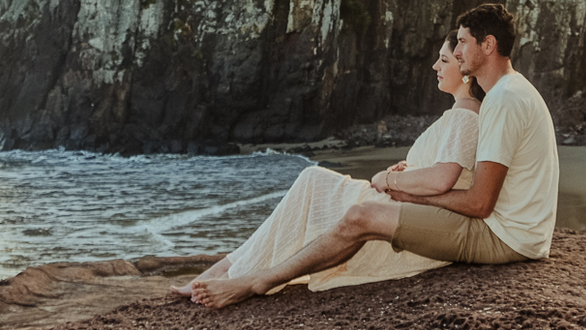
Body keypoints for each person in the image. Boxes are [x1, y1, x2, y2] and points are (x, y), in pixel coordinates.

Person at [191, 2, 559, 310]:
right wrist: (412, 179)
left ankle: (256, 281)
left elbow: (480, 203)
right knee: (356, 208)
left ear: (489, 45)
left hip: (504, 237)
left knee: (361, 216)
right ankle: (248, 270)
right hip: (516, 232)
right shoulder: (509, 93)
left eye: (462, 43)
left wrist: (404, 191)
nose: (457, 51)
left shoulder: (505, 100)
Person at [170, 31, 483, 300]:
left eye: (444, 60)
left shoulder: (464, 115)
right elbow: (447, 172)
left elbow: (444, 179)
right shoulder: (461, 113)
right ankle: (229, 268)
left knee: (312, 180)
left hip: (403, 218)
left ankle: (235, 273)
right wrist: (410, 171)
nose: (435, 66)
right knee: (312, 181)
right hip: (406, 207)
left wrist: (388, 178)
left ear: (465, 68)